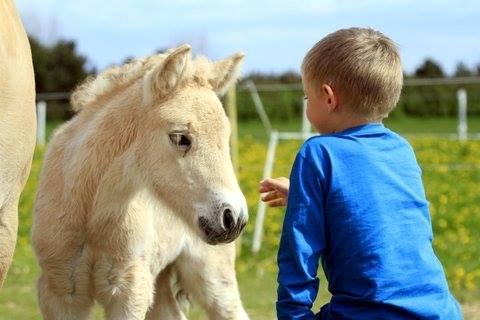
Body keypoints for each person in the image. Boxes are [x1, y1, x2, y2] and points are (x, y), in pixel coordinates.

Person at [259, 27, 462, 319]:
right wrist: (306, 198)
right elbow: (378, 213)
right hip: (440, 310)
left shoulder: (318, 153)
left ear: (328, 98)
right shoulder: (401, 150)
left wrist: (293, 314)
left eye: (307, 98)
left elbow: (298, 254)